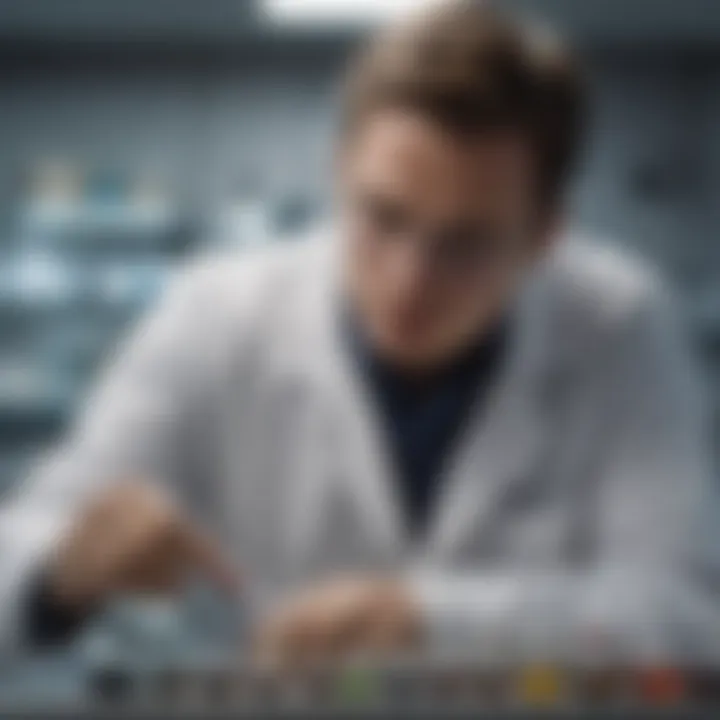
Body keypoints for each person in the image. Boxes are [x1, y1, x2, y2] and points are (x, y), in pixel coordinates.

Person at [0, 0, 716, 666]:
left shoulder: (620, 324)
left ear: (544, 237)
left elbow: (684, 614)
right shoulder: (214, 313)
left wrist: (427, 616)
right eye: (383, 218)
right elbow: (20, 546)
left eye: (465, 244)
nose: (409, 281)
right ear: (338, 173)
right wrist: (65, 570)